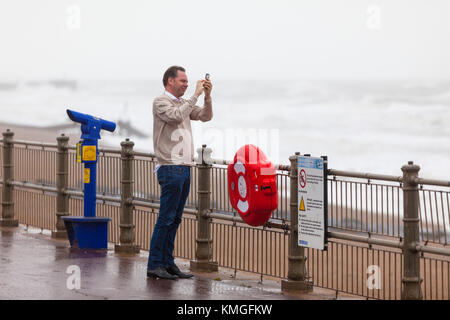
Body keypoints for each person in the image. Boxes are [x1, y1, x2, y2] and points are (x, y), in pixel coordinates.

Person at [147, 66, 213, 279]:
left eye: (187, 82)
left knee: (175, 219)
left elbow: (205, 116)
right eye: (183, 81)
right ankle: (155, 264)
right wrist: (195, 95)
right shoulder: (160, 102)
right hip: (170, 166)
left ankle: (168, 263)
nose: (186, 84)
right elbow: (175, 117)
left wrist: (208, 97)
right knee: (165, 218)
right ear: (170, 82)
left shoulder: (184, 103)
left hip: (184, 167)